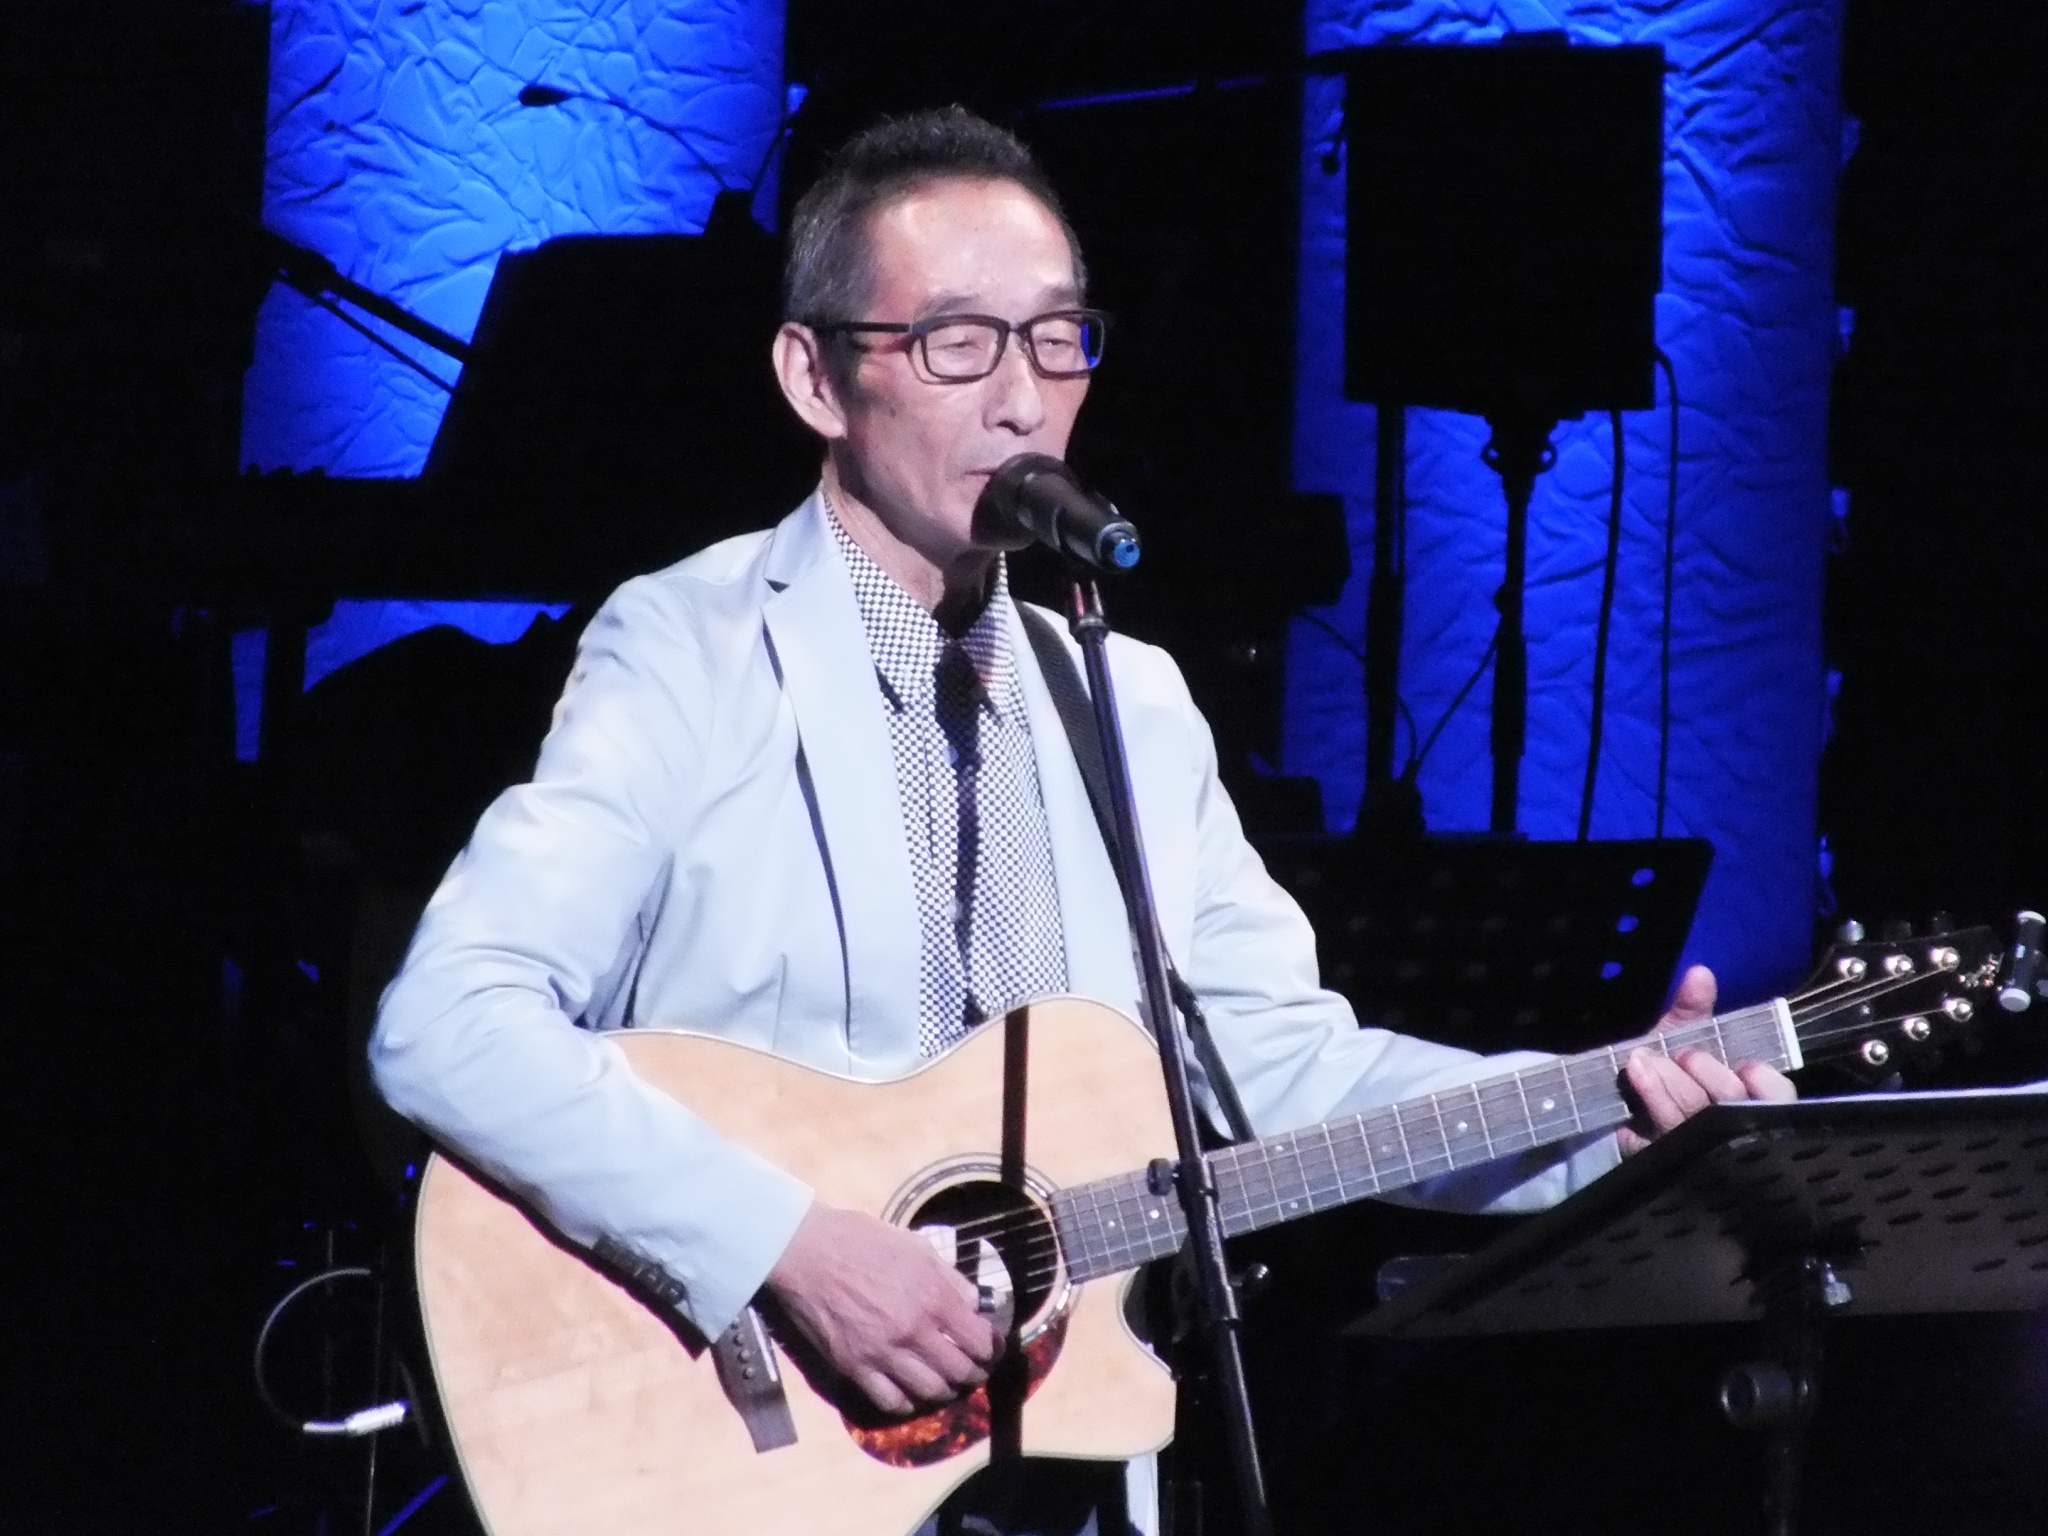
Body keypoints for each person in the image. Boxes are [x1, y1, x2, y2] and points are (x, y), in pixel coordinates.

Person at [370, 106, 1794, 1535]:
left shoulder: (1130, 700)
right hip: (743, 1442)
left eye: (1057, 340)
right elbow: (450, 1021)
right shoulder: (693, 646)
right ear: (816, 376)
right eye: (958, 341)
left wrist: (1600, 1116)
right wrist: (786, 1249)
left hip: (1057, 1469)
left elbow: (1285, 1069)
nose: (1021, 400)